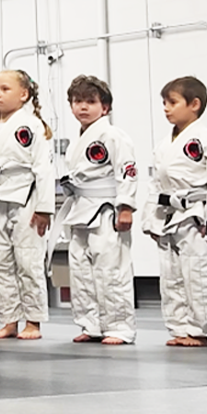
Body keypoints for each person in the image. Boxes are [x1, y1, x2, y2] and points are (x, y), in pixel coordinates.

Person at [0, 70, 54, 340]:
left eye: (4, 89)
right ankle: (8, 320)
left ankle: (33, 321)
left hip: (25, 197)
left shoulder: (32, 126)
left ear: (24, 94)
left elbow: (44, 169)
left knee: (28, 261)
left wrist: (44, 207)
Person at [142, 76, 207, 347]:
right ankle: (179, 328)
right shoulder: (163, 145)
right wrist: (151, 220)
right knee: (171, 276)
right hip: (169, 216)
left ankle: (200, 330)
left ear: (194, 104)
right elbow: (155, 185)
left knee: (197, 274)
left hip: (197, 214)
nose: (166, 108)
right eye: (164, 103)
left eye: (173, 102)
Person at [60, 75, 138, 345]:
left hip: (107, 209)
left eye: (90, 102)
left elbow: (127, 172)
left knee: (110, 269)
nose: (83, 107)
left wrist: (125, 207)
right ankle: (91, 323)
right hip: (81, 209)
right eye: (77, 101)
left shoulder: (113, 136)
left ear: (105, 107)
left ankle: (120, 327)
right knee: (81, 270)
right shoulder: (76, 141)